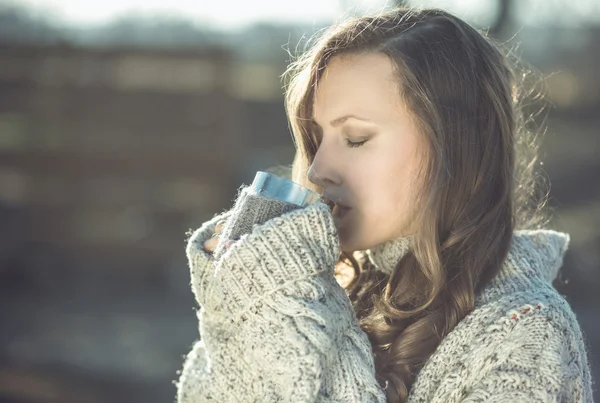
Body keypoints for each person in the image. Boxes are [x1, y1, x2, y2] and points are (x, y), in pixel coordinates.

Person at [176, 7, 594, 403]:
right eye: (317, 139)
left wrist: (282, 311)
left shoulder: (523, 334)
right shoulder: (334, 289)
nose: (318, 169)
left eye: (356, 138)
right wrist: (246, 304)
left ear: (457, 148)